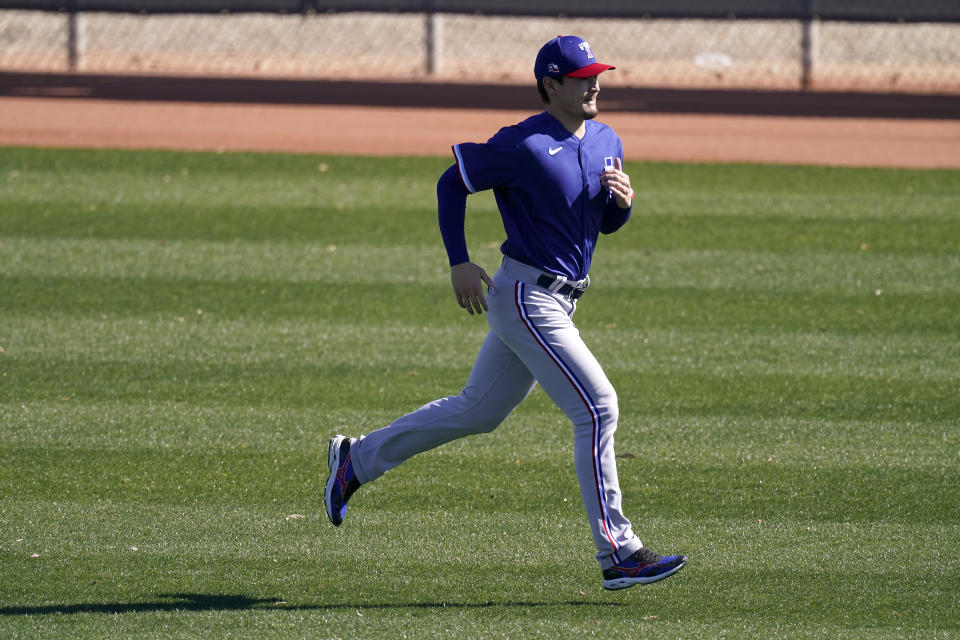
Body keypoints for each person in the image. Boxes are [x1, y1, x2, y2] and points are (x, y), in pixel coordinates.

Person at [324, 35, 686, 591]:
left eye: (598, 73)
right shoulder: (522, 144)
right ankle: (620, 553)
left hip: (561, 297)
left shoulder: (607, 138)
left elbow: (598, 226)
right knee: (598, 408)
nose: (595, 83)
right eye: (582, 76)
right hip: (526, 296)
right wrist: (459, 262)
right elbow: (452, 184)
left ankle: (357, 460)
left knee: (478, 411)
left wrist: (621, 206)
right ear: (550, 85)